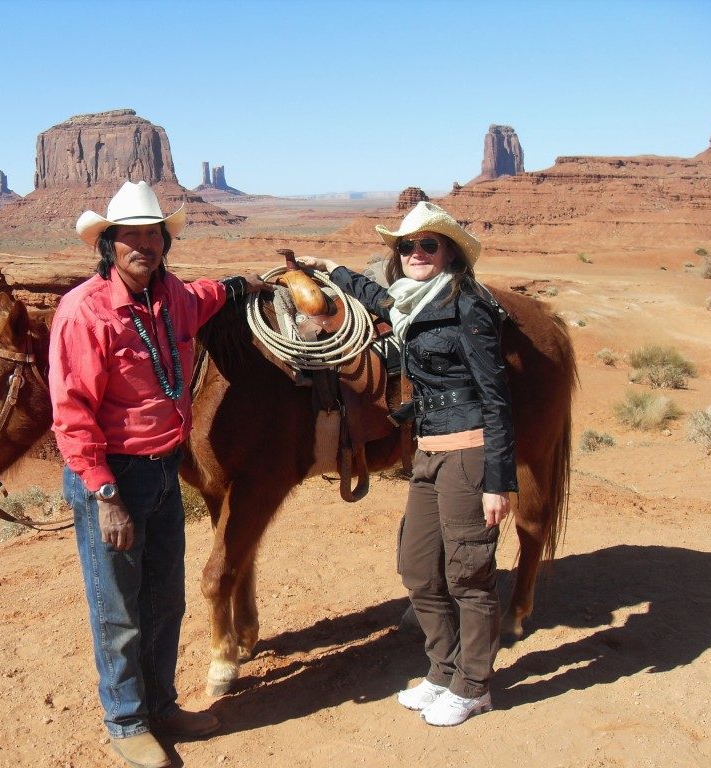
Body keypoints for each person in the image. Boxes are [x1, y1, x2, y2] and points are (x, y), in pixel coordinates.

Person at [48, 180, 267, 768]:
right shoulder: (84, 312)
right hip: (112, 478)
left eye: (153, 234)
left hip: (164, 470)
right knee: (117, 607)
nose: (143, 244)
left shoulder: (172, 297)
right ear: (109, 244)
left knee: (165, 599)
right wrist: (104, 493)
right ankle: (126, 722)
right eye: (131, 236)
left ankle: (162, 706)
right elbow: (71, 414)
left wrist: (247, 284)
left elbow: (209, 295)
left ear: (165, 242)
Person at [298, 201, 516, 727]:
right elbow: (377, 295)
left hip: (467, 451)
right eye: (406, 246)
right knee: (418, 568)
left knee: (468, 574)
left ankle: (474, 684)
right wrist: (331, 270)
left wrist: (498, 481)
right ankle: (443, 670)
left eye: (427, 245)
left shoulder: (469, 307)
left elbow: (496, 398)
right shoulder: (409, 303)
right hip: (427, 452)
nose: (415, 253)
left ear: (450, 253)